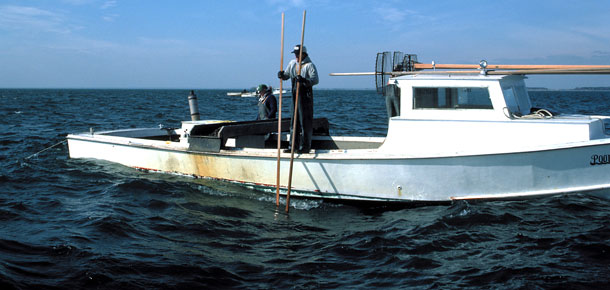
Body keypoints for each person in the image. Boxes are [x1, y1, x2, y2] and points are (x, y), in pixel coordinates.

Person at [277, 44, 319, 154]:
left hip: (305, 97)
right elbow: (286, 75)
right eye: (295, 54)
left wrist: (304, 80)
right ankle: (293, 146)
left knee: (305, 122)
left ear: (303, 54)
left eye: (298, 54)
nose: (296, 56)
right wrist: (281, 75)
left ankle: (306, 146)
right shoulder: (292, 64)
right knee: (293, 122)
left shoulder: (310, 65)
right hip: (294, 96)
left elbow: (315, 80)